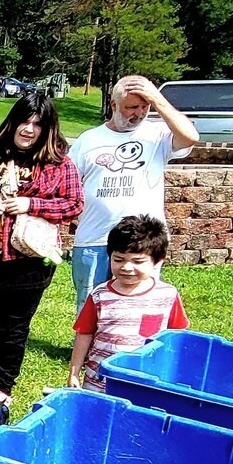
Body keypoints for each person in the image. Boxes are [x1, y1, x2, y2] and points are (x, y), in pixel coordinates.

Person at [0, 93, 82, 405]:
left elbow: (73, 204)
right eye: (24, 122)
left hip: (31, 259)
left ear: (47, 128)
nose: (29, 129)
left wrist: (31, 204)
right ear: (13, 122)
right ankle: (1, 364)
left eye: (37, 124)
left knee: (15, 325)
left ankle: (2, 387)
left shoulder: (58, 164)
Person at [68, 75, 198, 310]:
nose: (138, 113)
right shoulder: (89, 139)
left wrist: (157, 99)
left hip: (143, 241)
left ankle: (131, 346)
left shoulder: (158, 135)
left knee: (138, 304)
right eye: (131, 107)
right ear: (113, 105)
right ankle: (87, 347)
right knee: (89, 304)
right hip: (93, 238)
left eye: (144, 107)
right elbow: (68, 182)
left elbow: (191, 137)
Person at [69, 214, 188, 391]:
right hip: (99, 383)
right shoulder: (100, 295)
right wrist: (74, 372)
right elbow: (84, 334)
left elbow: (178, 337)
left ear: (158, 261)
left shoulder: (167, 295)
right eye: (118, 260)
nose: (126, 267)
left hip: (146, 382)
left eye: (137, 261)